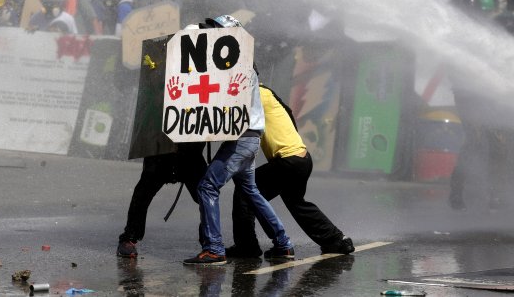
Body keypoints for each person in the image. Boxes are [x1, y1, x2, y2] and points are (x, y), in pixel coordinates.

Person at [183, 14, 294, 266]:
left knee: (207, 187)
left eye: (218, 32)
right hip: (249, 138)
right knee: (250, 191)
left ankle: (213, 248)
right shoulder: (242, 63)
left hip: (241, 138)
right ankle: (283, 243)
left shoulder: (235, 65)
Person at [226, 84, 354, 258]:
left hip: (288, 161)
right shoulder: (267, 93)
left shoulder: (256, 93)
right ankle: (337, 241)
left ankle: (247, 247)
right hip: (301, 159)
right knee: (296, 202)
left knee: (245, 192)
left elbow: (228, 116)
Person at [116, 142, 207, 258]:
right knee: (142, 194)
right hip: (160, 151)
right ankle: (129, 237)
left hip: (191, 153)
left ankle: (210, 241)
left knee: (207, 195)